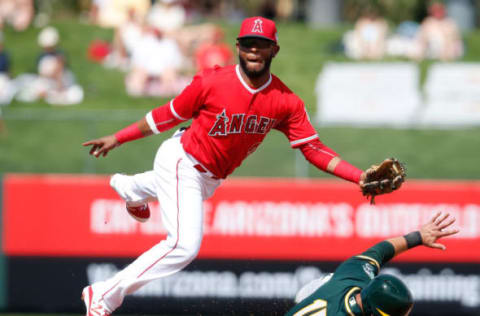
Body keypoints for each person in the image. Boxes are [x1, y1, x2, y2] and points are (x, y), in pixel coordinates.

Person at [81, 16, 393, 315]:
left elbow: (312, 147)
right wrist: (119, 138)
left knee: (178, 191)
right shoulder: (212, 81)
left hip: (210, 177)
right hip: (183, 159)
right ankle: (105, 295)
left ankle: (130, 188)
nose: (254, 50)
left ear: (275, 49)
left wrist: (357, 176)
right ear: (238, 47)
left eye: (261, 44)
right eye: (248, 44)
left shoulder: (285, 100)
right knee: (183, 246)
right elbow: (166, 115)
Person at [285, 212, 459, 316]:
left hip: (321, 299)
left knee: (328, 281)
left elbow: (381, 251)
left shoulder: (354, 276)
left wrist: (418, 237)